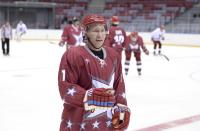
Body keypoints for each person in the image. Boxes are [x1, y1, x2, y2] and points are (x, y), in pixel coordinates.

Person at [58, 14, 131, 131]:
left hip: (106, 124)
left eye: (102, 30)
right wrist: (88, 96)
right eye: (95, 31)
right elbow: (65, 88)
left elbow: (119, 85)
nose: (100, 35)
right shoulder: (73, 55)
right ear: (85, 32)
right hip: (79, 124)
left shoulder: (114, 55)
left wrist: (122, 107)